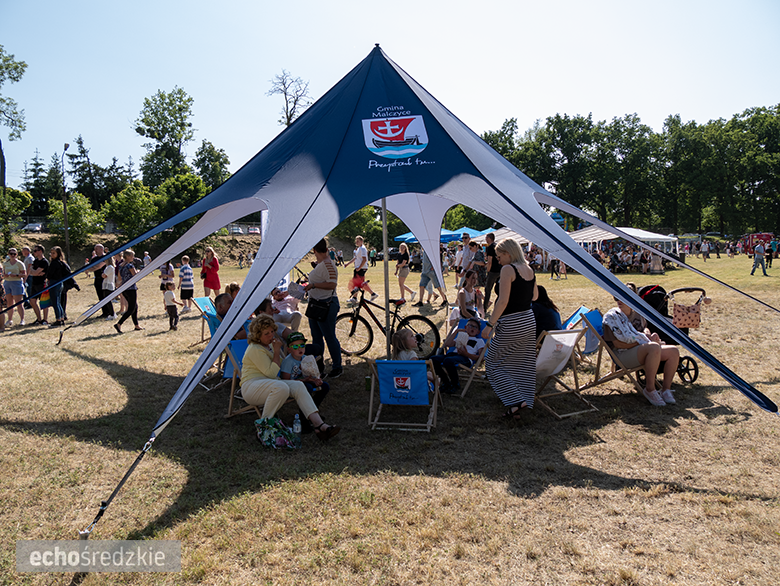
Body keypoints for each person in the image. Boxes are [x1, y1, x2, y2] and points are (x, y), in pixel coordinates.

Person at [240, 315, 340, 442]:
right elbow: (271, 373)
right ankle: (263, 428)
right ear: (257, 335)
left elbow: (280, 367)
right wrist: (277, 351)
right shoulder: (255, 348)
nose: (271, 335)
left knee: (298, 385)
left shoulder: (269, 346)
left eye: (272, 331)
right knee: (281, 387)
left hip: (271, 383)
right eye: (266, 333)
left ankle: (319, 425)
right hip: (252, 387)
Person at [482, 238, 538, 418]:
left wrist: (490, 324)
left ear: (508, 254)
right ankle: (521, 401)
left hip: (512, 323)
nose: (498, 260)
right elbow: (535, 296)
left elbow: (503, 301)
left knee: (492, 362)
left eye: (499, 256)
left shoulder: (508, 269)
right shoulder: (529, 269)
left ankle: (515, 400)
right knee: (521, 363)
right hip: (528, 320)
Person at [603, 295, 680, 406]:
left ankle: (665, 390)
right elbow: (617, 344)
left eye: (622, 297)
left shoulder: (637, 314)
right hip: (623, 354)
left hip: (641, 348)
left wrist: (648, 335)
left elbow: (644, 328)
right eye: (616, 297)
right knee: (653, 347)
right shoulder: (612, 318)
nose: (619, 301)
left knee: (673, 351)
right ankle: (650, 389)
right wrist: (642, 342)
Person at [304, 238, 343, 379]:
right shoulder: (323, 263)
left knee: (329, 337)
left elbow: (332, 284)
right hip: (316, 304)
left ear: (314, 251)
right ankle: (318, 368)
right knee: (316, 337)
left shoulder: (328, 264)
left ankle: (337, 367)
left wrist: (313, 286)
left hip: (326, 304)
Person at [280, 331, 330, 433]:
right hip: (292, 385)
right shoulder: (287, 362)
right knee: (308, 388)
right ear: (289, 349)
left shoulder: (305, 358)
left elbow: (310, 375)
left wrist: (316, 380)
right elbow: (285, 381)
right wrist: (305, 380)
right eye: (295, 346)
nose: (299, 348)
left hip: (304, 381)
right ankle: (304, 419)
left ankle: (312, 411)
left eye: (302, 345)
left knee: (325, 386)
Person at [431, 318, 486, 394]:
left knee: (448, 361)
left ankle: (455, 384)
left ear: (478, 332)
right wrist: (456, 331)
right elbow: (447, 344)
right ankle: (446, 382)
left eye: (475, 327)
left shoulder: (479, 341)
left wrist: (466, 354)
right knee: (433, 359)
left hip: (466, 358)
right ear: (465, 328)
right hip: (452, 355)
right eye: (470, 326)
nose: (472, 328)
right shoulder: (460, 337)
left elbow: (481, 358)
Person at [114, 249, 143, 334]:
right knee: (131, 308)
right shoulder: (130, 266)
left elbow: (119, 278)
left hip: (124, 289)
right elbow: (135, 276)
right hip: (131, 289)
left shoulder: (120, 265)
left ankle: (136, 325)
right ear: (128, 256)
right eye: (132, 256)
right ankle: (119, 324)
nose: (133, 257)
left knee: (135, 306)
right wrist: (138, 271)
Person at [344, 235, 378, 300]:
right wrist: (347, 264)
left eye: (358, 241)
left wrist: (359, 267)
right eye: (356, 241)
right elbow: (355, 258)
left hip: (361, 268)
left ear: (361, 241)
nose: (356, 242)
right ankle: (372, 294)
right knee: (360, 283)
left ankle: (355, 297)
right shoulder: (359, 248)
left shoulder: (362, 248)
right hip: (359, 268)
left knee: (356, 283)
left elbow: (364, 259)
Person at [46, 246, 71, 327]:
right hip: (60, 283)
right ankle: (61, 318)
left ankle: (58, 320)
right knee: (58, 302)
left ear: (58, 254)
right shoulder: (61, 262)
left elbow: (49, 274)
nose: (52, 255)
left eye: (54, 253)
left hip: (54, 283)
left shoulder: (54, 263)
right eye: (51, 253)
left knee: (55, 302)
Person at [86, 243, 112, 319]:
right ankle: (104, 312)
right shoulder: (94, 259)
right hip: (97, 279)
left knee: (106, 296)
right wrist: (90, 268)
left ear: (101, 249)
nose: (95, 251)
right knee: (100, 297)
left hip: (105, 280)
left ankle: (110, 312)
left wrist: (91, 268)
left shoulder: (106, 257)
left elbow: (97, 267)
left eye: (96, 249)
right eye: (95, 249)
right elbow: (90, 267)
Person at [2, 248, 27, 326]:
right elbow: (3, 274)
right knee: (9, 303)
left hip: (17, 283)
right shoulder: (5, 263)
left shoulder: (20, 263)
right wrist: (5, 275)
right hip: (7, 283)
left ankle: (22, 319)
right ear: (8, 254)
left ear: (16, 255)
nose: (13, 255)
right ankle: (9, 319)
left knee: (19, 302)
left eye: (14, 254)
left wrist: (16, 275)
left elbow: (24, 274)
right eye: (11, 254)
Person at [28, 245, 50, 325]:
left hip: (42, 284)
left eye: (35, 251)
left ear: (40, 251)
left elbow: (34, 272)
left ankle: (45, 319)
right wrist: (35, 272)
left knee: (43, 302)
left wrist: (35, 272)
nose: (34, 252)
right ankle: (39, 319)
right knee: (32, 301)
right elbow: (31, 272)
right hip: (34, 283)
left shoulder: (44, 262)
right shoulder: (36, 261)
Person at [483, 233, 500, 311]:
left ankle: (485, 307)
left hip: (493, 271)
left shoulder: (490, 247)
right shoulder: (498, 246)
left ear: (489, 238)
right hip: (500, 270)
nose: (485, 239)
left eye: (486, 238)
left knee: (488, 289)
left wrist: (488, 270)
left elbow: (490, 261)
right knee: (500, 289)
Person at [101, 255, 117, 320]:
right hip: (106, 285)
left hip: (108, 285)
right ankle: (111, 313)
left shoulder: (110, 267)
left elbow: (104, 275)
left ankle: (112, 314)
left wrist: (103, 274)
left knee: (108, 301)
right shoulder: (108, 267)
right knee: (107, 301)